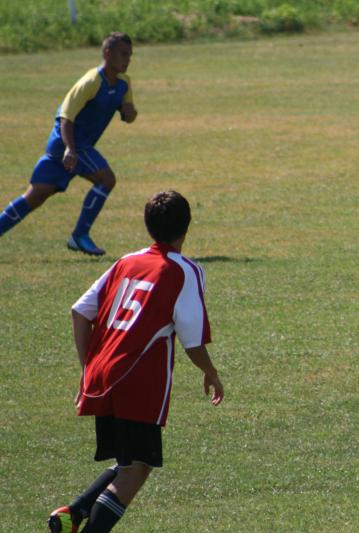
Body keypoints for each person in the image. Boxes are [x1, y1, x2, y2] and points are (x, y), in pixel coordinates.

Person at [48, 190, 224, 533]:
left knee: (130, 460)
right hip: (136, 380)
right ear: (187, 226)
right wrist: (211, 372)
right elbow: (192, 341)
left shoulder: (126, 262)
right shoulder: (184, 270)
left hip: (101, 375)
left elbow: (80, 312)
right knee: (138, 468)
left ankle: (73, 514)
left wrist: (87, 369)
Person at [0, 32, 138, 256]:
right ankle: (79, 235)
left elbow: (128, 114)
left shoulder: (124, 83)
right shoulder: (91, 81)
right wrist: (70, 149)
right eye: (123, 54)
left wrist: (130, 113)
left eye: (130, 55)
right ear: (107, 54)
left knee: (35, 196)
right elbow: (65, 117)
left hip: (76, 148)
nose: (128, 59)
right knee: (106, 179)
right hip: (68, 144)